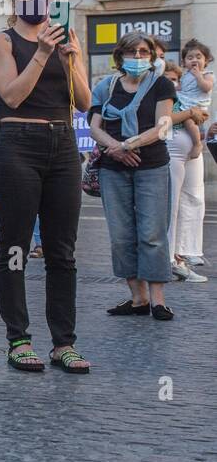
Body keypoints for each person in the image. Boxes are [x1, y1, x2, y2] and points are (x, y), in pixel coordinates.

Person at [0, 0, 91, 373]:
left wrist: (70, 59)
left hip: (62, 143)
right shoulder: (2, 42)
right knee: (14, 246)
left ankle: (63, 343)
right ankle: (19, 339)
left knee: (62, 250)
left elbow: (84, 101)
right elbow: (11, 95)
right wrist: (43, 54)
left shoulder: (67, 39)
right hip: (17, 143)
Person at [88, 32, 177, 320]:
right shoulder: (107, 85)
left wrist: (129, 145)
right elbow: (94, 126)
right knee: (121, 235)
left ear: (151, 56)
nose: (137, 57)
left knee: (152, 233)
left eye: (143, 52)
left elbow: (163, 126)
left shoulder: (161, 84)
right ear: (120, 56)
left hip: (151, 166)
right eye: (131, 52)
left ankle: (158, 301)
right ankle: (137, 299)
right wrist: (115, 148)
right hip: (114, 169)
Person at [168, 39, 211, 281]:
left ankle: (188, 251)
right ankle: (172, 257)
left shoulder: (205, 76)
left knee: (194, 197)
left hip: (193, 138)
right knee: (172, 202)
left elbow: (205, 88)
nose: (194, 61)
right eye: (190, 57)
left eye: (199, 57)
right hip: (174, 143)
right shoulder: (179, 82)